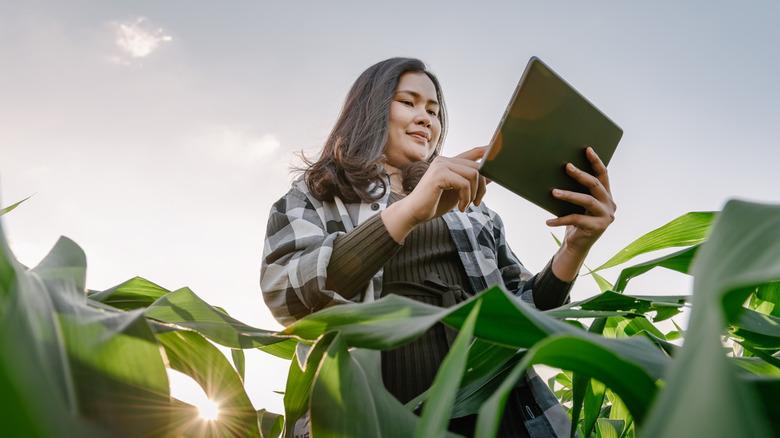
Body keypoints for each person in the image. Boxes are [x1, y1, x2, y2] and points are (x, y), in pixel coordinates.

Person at [260, 57, 617, 437]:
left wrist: (575, 248)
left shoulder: (475, 213)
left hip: (501, 419)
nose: (425, 118)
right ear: (369, 108)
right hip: (376, 421)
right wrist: (410, 211)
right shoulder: (316, 195)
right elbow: (288, 295)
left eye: (434, 110)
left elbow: (525, 314)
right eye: (408, 102)